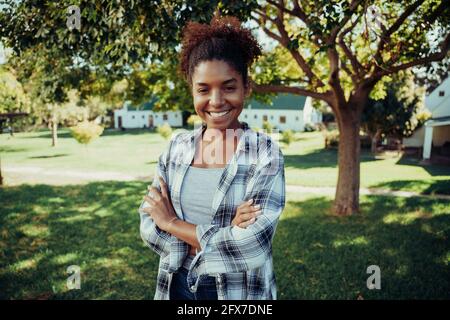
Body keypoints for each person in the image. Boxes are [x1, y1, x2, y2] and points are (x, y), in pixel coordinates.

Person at [138, 14, 286, 300]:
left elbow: (253, 246)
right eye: (203, 89)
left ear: (246, 87)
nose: (216, 101)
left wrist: (172, 224)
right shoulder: (176, 148)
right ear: (192, 91)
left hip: (237, 293)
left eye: (229, 87)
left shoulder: (264, 153)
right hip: (176, 285)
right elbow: (148, 223)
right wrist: (227, 232)